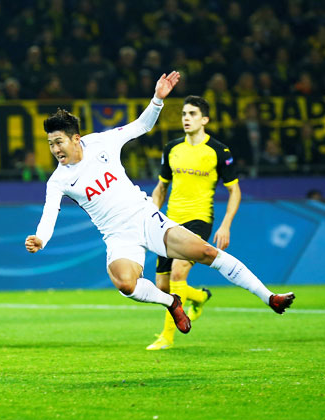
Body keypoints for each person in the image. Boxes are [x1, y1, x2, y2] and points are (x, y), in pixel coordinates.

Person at [25, 72, 294, 339]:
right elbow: (49, 214)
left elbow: (141, 126)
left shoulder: (101, 142)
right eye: (50, 144)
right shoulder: (58, 181)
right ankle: (172, 303)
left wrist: (157, 99)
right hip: (118, 236)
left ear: (75, 138)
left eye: (58, 141)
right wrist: (41, 239)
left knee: (206, 253)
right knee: (125, 284)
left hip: (146, 217)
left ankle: (270, 297)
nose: (55, 149)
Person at [146, 95, 242, 351]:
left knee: (178, 273)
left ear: (205, 120)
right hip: (168, 222)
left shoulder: (219, 151)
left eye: (192, 114)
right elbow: (160, 188)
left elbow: (235, 191)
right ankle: (199, 297)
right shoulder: (172, 149)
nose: (186, 118)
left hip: (199, 220)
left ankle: (167, 336)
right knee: (162, 286)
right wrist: (151, 215)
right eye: (184, 114)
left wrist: (226, 225)